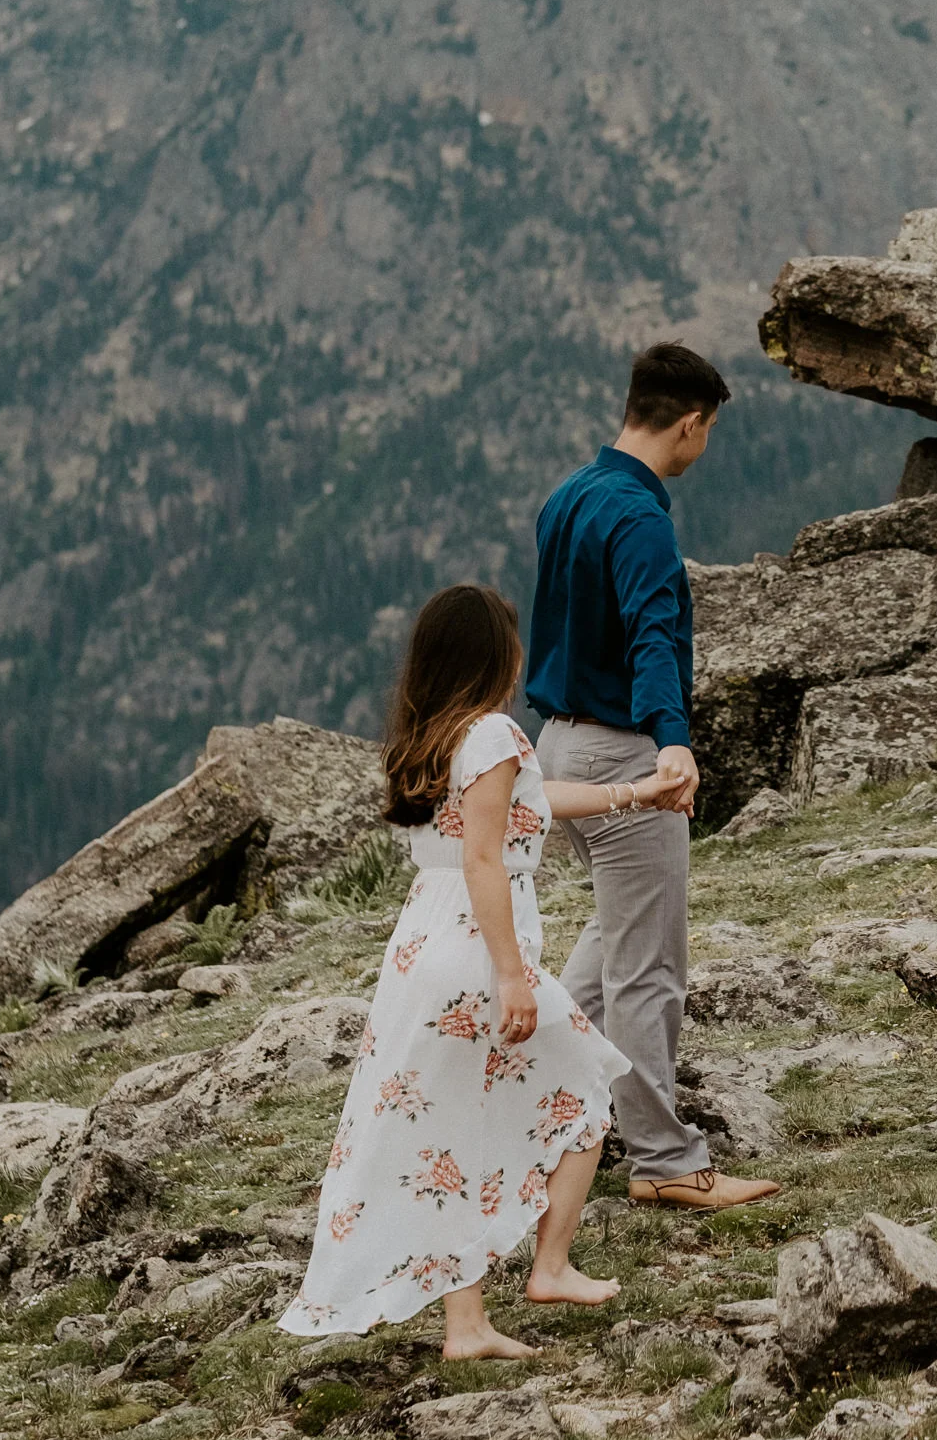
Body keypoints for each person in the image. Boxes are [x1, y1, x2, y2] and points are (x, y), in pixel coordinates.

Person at [280, 582, 681, 1360]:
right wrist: (511, 975)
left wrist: (634, 794)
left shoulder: (433, 737)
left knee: (451, 1133)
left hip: (420, 947)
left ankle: (466, 1325)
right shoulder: (494, 732)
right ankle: (551, 1266)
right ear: (494, 656)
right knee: (586, 1089)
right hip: (473, 947)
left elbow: (531, 801)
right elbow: (485, 856)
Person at [529, 342, 782, 1213]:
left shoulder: (569, 495)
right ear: (689, 422)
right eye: (706, 431)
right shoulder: (640, 516)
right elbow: (649, 632)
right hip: (620, 752)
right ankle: (663, 1160)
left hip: (557, 746)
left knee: (608, 953)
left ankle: (533, 1102)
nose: (702, 447)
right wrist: (671, 741)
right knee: (650, 973)